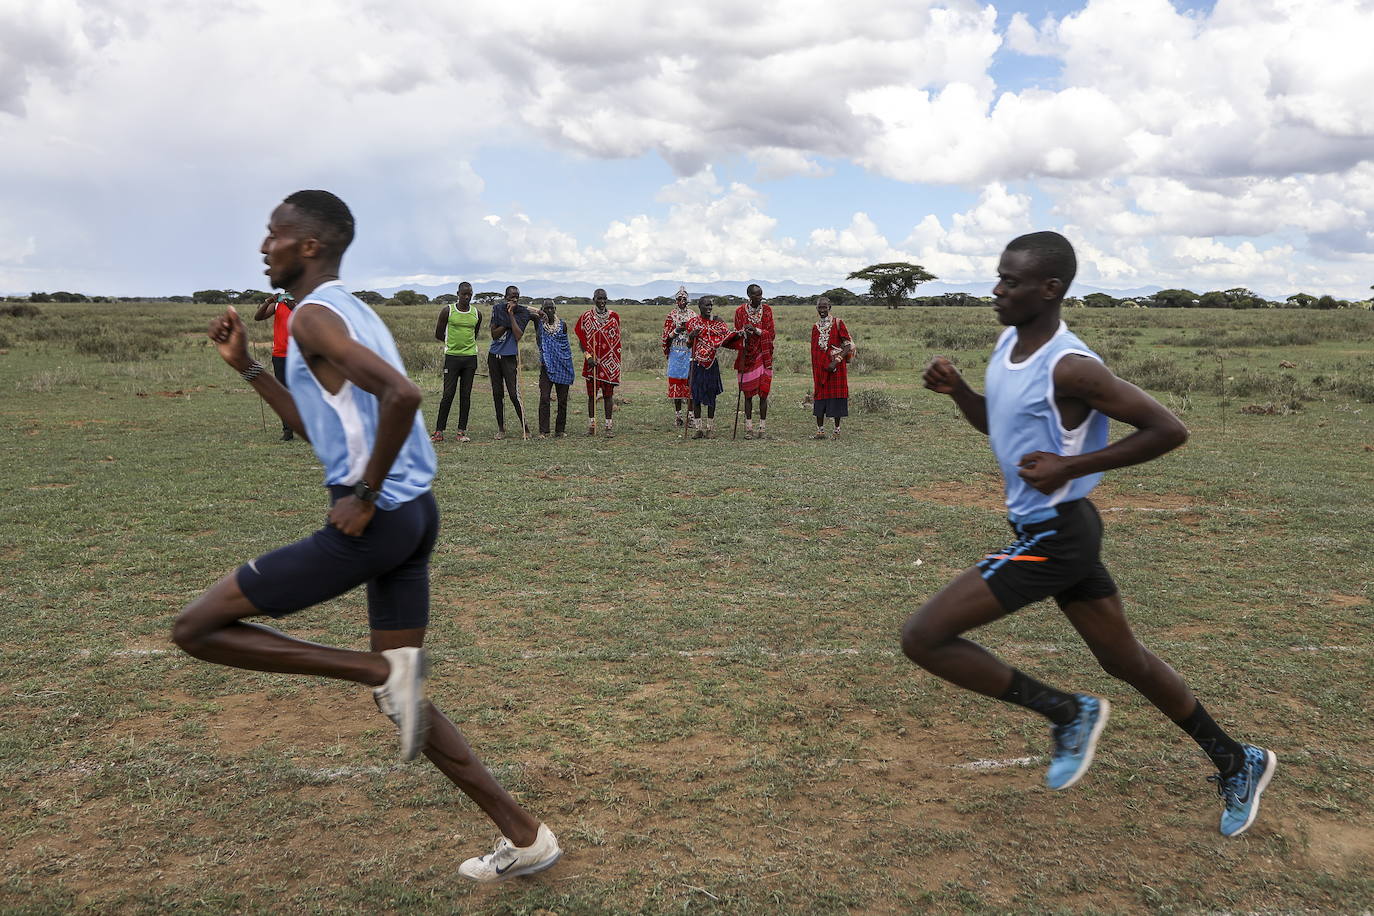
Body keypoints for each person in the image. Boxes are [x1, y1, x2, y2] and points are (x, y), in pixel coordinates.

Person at [173, 190, 561, 882]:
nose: (264, 245)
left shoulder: (321, 316)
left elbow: (404, 397)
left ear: (310, 246)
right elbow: (316, 421)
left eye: (274, 234)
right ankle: (524, 835)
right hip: (413, 516)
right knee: (407, 701)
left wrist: (362, 493)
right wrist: (250, 367)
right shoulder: (340, 312)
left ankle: (378, 671)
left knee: (196, 629)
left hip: (374, 522)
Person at [903, 231, 1275, 838]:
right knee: (1124, 659)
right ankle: (1238, 759)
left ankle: (1066, 712)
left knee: (924, 636)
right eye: (999, 277)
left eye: (1012, 282)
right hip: (1054, 528)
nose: (996, 290)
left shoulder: (1071, 366)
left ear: (1050, 289)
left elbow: (1167, 429)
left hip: (1056, 535)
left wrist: (1070, 466)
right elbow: (998, 430)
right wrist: (960, 392)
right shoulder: (1010, 343)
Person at [685, 297, 744, 439]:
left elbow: (727, 336)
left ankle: (710, 428)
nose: (709, 308)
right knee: (696, 396)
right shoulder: (693, 323)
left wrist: (740, 334)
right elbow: (688, 344)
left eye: (711, 305)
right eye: (706, 305)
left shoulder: (718, 322)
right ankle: (698, 429)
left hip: (711, 363)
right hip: (696, 362)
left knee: (711, 395)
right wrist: (691, 336)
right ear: (699, 306)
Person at [431, 281, 482, 443]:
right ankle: (439, 432)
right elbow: (439, 334)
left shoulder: (476, 313)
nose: (467, 297)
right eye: (464, 294)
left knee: (465, 395)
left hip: (470, 358)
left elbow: (475, 334)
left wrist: (466, 347)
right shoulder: (448, 311)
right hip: (452, 358)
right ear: (458, 294)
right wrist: (452, 345)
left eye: (469, 294)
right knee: (448, 394)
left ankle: (461, 431)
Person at [488, 285, 534, 439]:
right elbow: (494, 334)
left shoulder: (521, 313)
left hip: (509, 357)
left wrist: (511, 316)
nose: (514, 299)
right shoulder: (497, 310)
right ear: (505, 296)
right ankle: (501, 428)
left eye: (517, 296)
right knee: (497, 393)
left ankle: (525, 428)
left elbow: (518, 335)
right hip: (494, 356)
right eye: (511, 296)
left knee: (514, 394)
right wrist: (507, 321)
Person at [574, 288, 621, 437]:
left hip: (609, 364)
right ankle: (592, 426)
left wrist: (613, 363)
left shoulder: (614, 317)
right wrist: (588, 356)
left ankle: (608, 427)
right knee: (591, 396)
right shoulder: (586, 317)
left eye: (604, 298)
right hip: (591, 363)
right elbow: (582, 341)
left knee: (608, 396)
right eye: (599, 298)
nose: (602, 302)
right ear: (593, 299)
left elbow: (617, 342)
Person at [733, 284, 776, 439]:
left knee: (763, 394)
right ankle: (749, 428)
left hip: (763, 356)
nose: (760, 298)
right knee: (748, 395)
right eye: (756, 295)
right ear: (749, 296)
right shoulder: (740, 311)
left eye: (761, 295)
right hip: (747, 356)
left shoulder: (767, 311)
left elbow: (771, 334)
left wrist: (756, 330)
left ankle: (762, 429)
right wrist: (744, 333)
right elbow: (737, 332)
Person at [810, 296, 854, 440]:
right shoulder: (815, 327)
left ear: (830, 307)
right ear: (817, 308)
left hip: (836, 368)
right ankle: (820, 431)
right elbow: (814, 351)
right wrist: (819, 367)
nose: (822, 310)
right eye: (820, 307)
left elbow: (848, 345)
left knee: (836, 398)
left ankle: (836, 430)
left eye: (825, 307)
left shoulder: (838, 323)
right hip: (820, 369)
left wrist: (836, 361)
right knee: (820, 397)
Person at [253, 291, 295, 440]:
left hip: (300, 355)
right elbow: (258, 317)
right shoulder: (277, 305)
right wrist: (268, 301)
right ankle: (287, 430)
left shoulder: (304, 302)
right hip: (280, 355)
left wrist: (293, 306)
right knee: (283, 393)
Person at [533, 299, 574, 437]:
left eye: (552, 308)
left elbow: (565, 346)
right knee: (544, 398)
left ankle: (560, 430)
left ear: (555, 309)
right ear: (542, 309)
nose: (549, 311)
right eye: (546, 308)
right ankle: (543, 431)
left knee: (562, 400)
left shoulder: (562, 325)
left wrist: (566, 361)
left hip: (562, 365)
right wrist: (538, 313)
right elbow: (525, 310)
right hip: (546, 366)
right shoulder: (538, 323)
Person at [662, 286, 695, 427]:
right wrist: (676, 330)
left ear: (688, 301)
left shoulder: (693, 315)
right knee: (676, 385)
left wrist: (689, 331)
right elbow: (665, 337)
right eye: (679, 299)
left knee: (690, 385)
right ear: (676, 301)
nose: (682, 301)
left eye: (684, 299)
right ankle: (678, 416)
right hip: (675, 353)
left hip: (688, 352)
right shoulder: (671, 315)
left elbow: (696, 333)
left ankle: (691, 416)